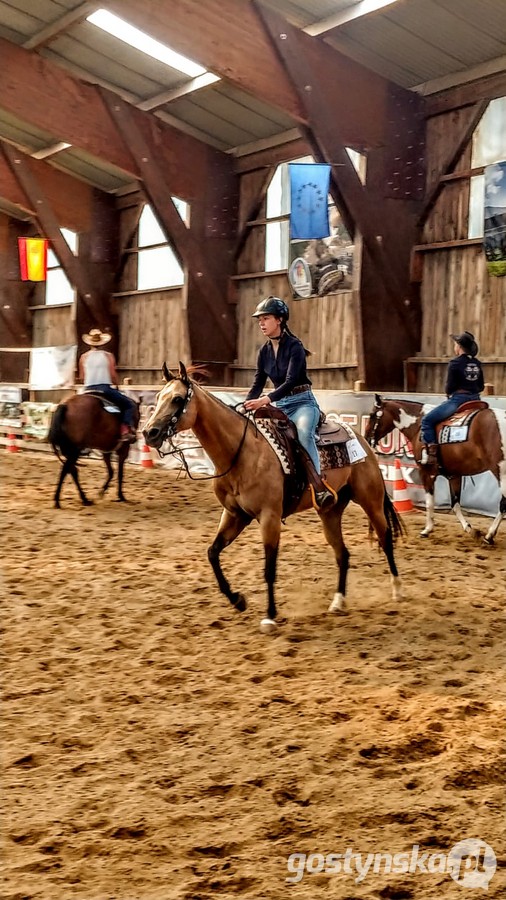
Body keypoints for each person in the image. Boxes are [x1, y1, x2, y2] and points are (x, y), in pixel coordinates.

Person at [244, 296, 336, 510]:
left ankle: (319, 487)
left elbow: (291, 380)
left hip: (303, 403)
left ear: (280, 320)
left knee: (303, 434)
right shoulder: (263, 351)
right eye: (259, 320)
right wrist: (246, 404)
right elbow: (258, 382)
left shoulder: (295, 346)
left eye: (265, 318)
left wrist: (265, 400)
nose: (261, 323)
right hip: (281, 406)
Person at [420, 331, 484, 466]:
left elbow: (449, 387)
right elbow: (481, 386)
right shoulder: (477, 363)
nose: (454, 347)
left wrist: (450, 393)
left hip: (459, 399)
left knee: (427, 420)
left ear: (459, 347)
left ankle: (432, 454)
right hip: (476, 399)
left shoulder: (454, 363)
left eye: (455, 344)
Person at [78, 328, 137, 442]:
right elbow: (113, 375)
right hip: (104, 388)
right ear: (102, 342)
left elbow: (82, 376)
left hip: (87, 389)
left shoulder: (84, 357)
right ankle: (125, 429)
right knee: (129, 405)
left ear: (90, 343)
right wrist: (116, 384)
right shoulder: (108, 356)